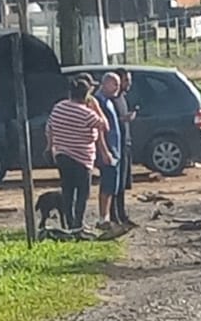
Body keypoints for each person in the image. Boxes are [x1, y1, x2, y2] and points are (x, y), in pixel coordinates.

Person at [46, 77, 113, 231]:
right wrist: (96, 107)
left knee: (67, 190)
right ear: (86, 95)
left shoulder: (59, 107)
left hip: (62, 155)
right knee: (82, 192)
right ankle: (78, 223)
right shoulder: (86, 113)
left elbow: (49, 127)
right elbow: (105, 125)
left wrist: (50, 146)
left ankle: (69, 222)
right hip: (82, 158)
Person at [93, 72, 124, 231]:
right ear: (105, 84)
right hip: (107, 150)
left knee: (113, 184)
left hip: (115, 148)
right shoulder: (99, 102)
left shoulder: (110, 101)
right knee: (107, 183)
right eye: (115, 84)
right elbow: (100, 130)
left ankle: (110, 217)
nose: (118, 88)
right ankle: (103, 217)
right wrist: (105, 151)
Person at [109, 68, 137, 226]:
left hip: (125, 143)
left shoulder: (122, 98)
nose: (129, 84)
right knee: (115, 183)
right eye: (126, 80)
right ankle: (114, 216)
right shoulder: (110, 100)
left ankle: (122, 214)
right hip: (115, 146)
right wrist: (122, 119)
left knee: (123, 182)